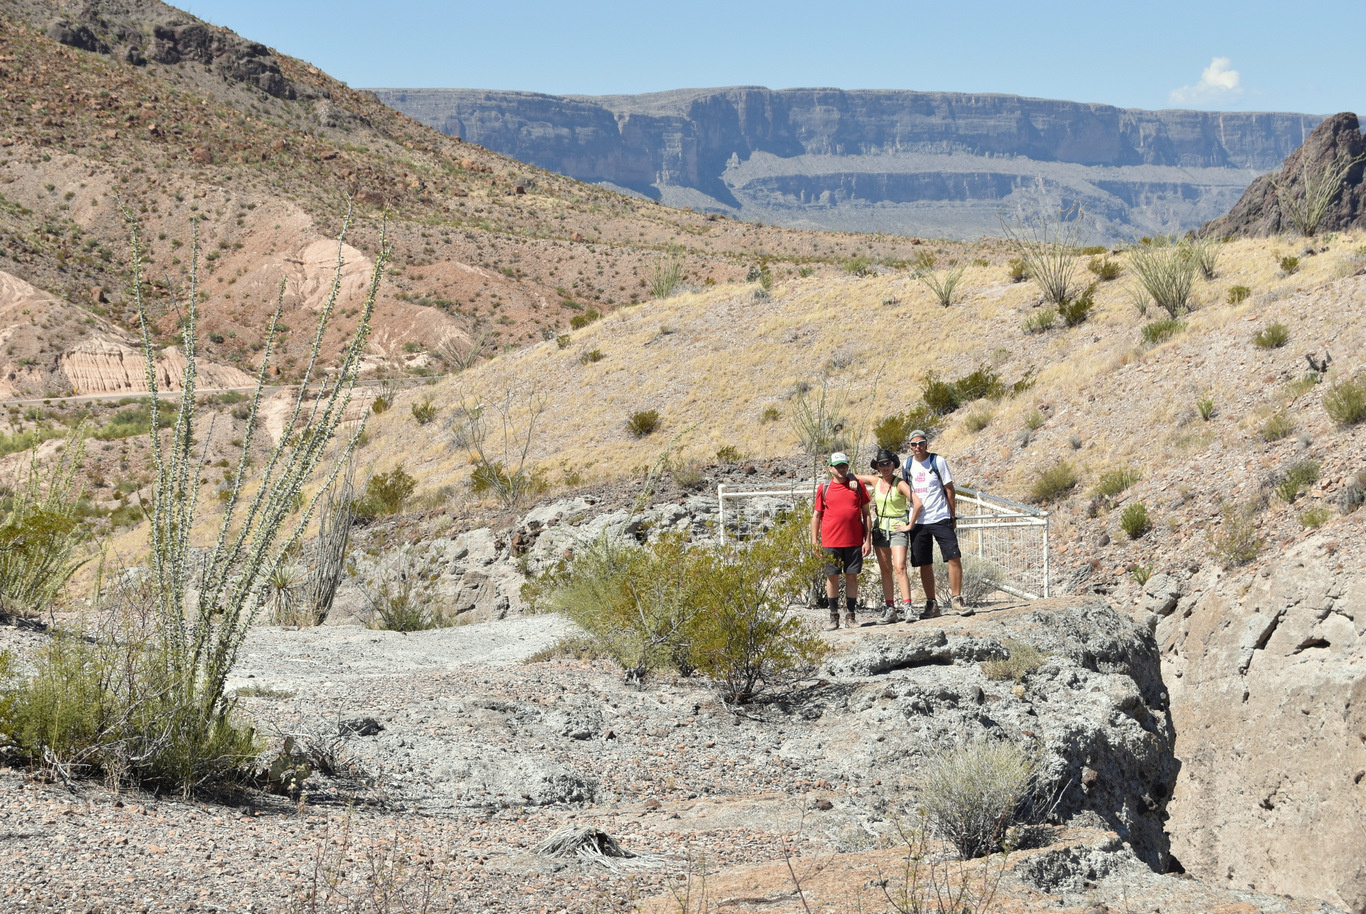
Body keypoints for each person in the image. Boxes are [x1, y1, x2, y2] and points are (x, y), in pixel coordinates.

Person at [901, 430, 968, 618]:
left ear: (927, 443)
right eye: (913, 444)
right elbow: (905, 490)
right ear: (909, 446)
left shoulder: (938, 461)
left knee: (953, 556)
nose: (917, 447)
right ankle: (932, 604)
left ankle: (957, 599)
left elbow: (949, 489)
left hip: (940, 517)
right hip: (919, 521)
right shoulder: (907, 465)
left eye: (920, 443)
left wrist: (952, 516)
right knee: (924, 562)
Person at [854, 447, 921, 624]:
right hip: (880, 529)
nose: (885, 467)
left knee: (900, 567)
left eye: (888, 464)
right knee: (885, 570)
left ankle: (908, 607)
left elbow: (918, 503)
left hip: (897, 528)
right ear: (877, 466)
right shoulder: (876, 481)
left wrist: (909, 525)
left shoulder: (900, 484)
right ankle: (890, 607)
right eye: (881, 464)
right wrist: (852, 482)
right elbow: (852, 476)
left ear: (894, 465)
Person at [810, 452, 872, 630]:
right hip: (831, 542)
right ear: (830, 468)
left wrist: (867, 540)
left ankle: (851, 615)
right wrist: (815, 541)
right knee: (832, 578)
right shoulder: (824, 488)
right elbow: (816, 516)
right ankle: (833, 616)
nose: (841, 468)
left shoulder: (858, 486)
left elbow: (867, 514)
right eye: (837, 466)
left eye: (844, 465)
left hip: (854, 541)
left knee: (852, 577)